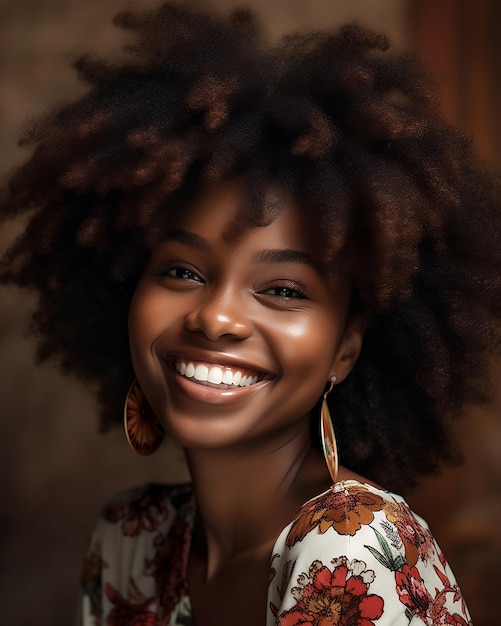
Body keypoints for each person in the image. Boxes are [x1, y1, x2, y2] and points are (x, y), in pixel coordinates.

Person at [1, 3, 500, 624]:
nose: (215, 318)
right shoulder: (131, 538)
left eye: (284, 289)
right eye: (182, 272)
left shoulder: (351, 550)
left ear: (346, 347)